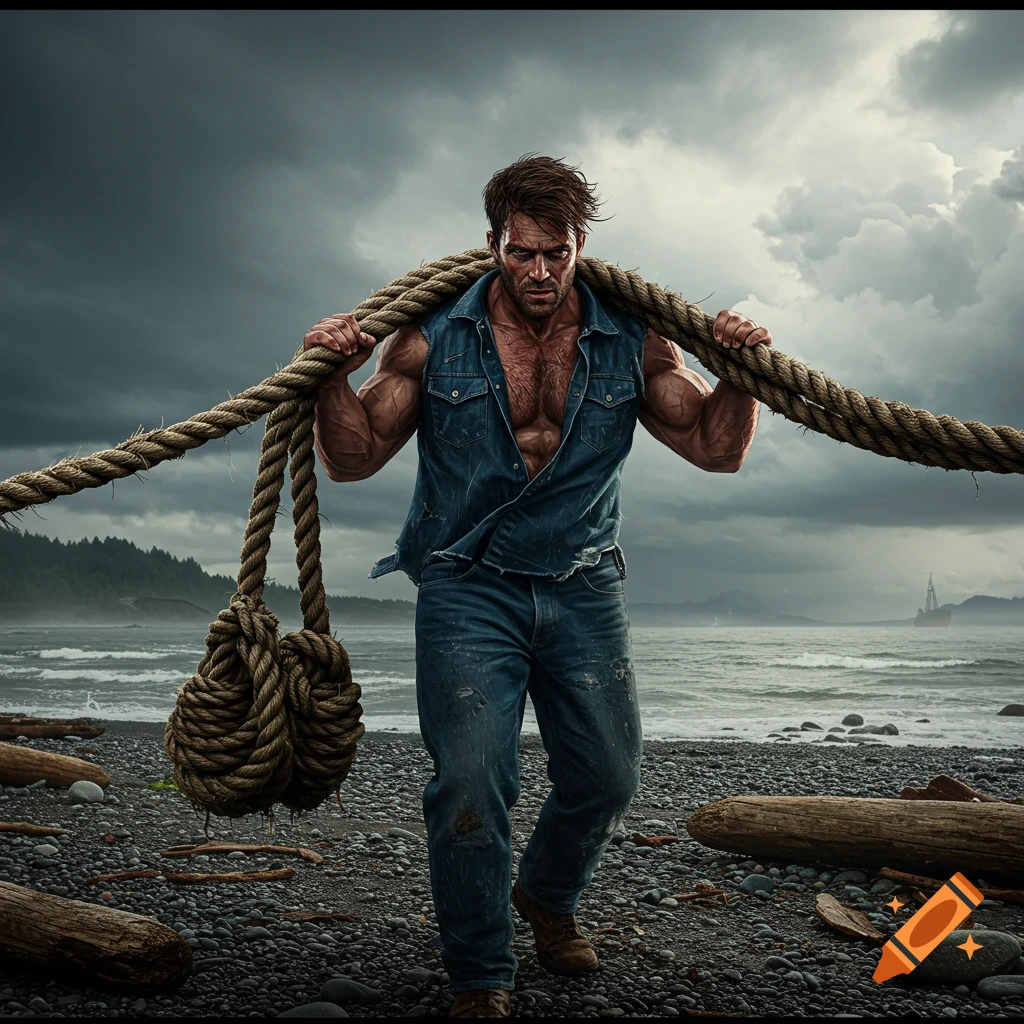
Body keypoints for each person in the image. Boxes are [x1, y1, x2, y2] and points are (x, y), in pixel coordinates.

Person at [306, 155, 771, 1018]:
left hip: (584, 582)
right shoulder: (428, 332)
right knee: (471, 785)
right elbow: (352, 456)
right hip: (466, 584)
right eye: (522, 253)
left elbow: (716, 446)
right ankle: (481, 977)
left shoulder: (633, 334)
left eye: (557, 253)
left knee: (608, 777)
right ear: (494, 244)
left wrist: (740, 370)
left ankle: (547, 898)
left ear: (579, 243)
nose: (541, 273)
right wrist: (333, 372)